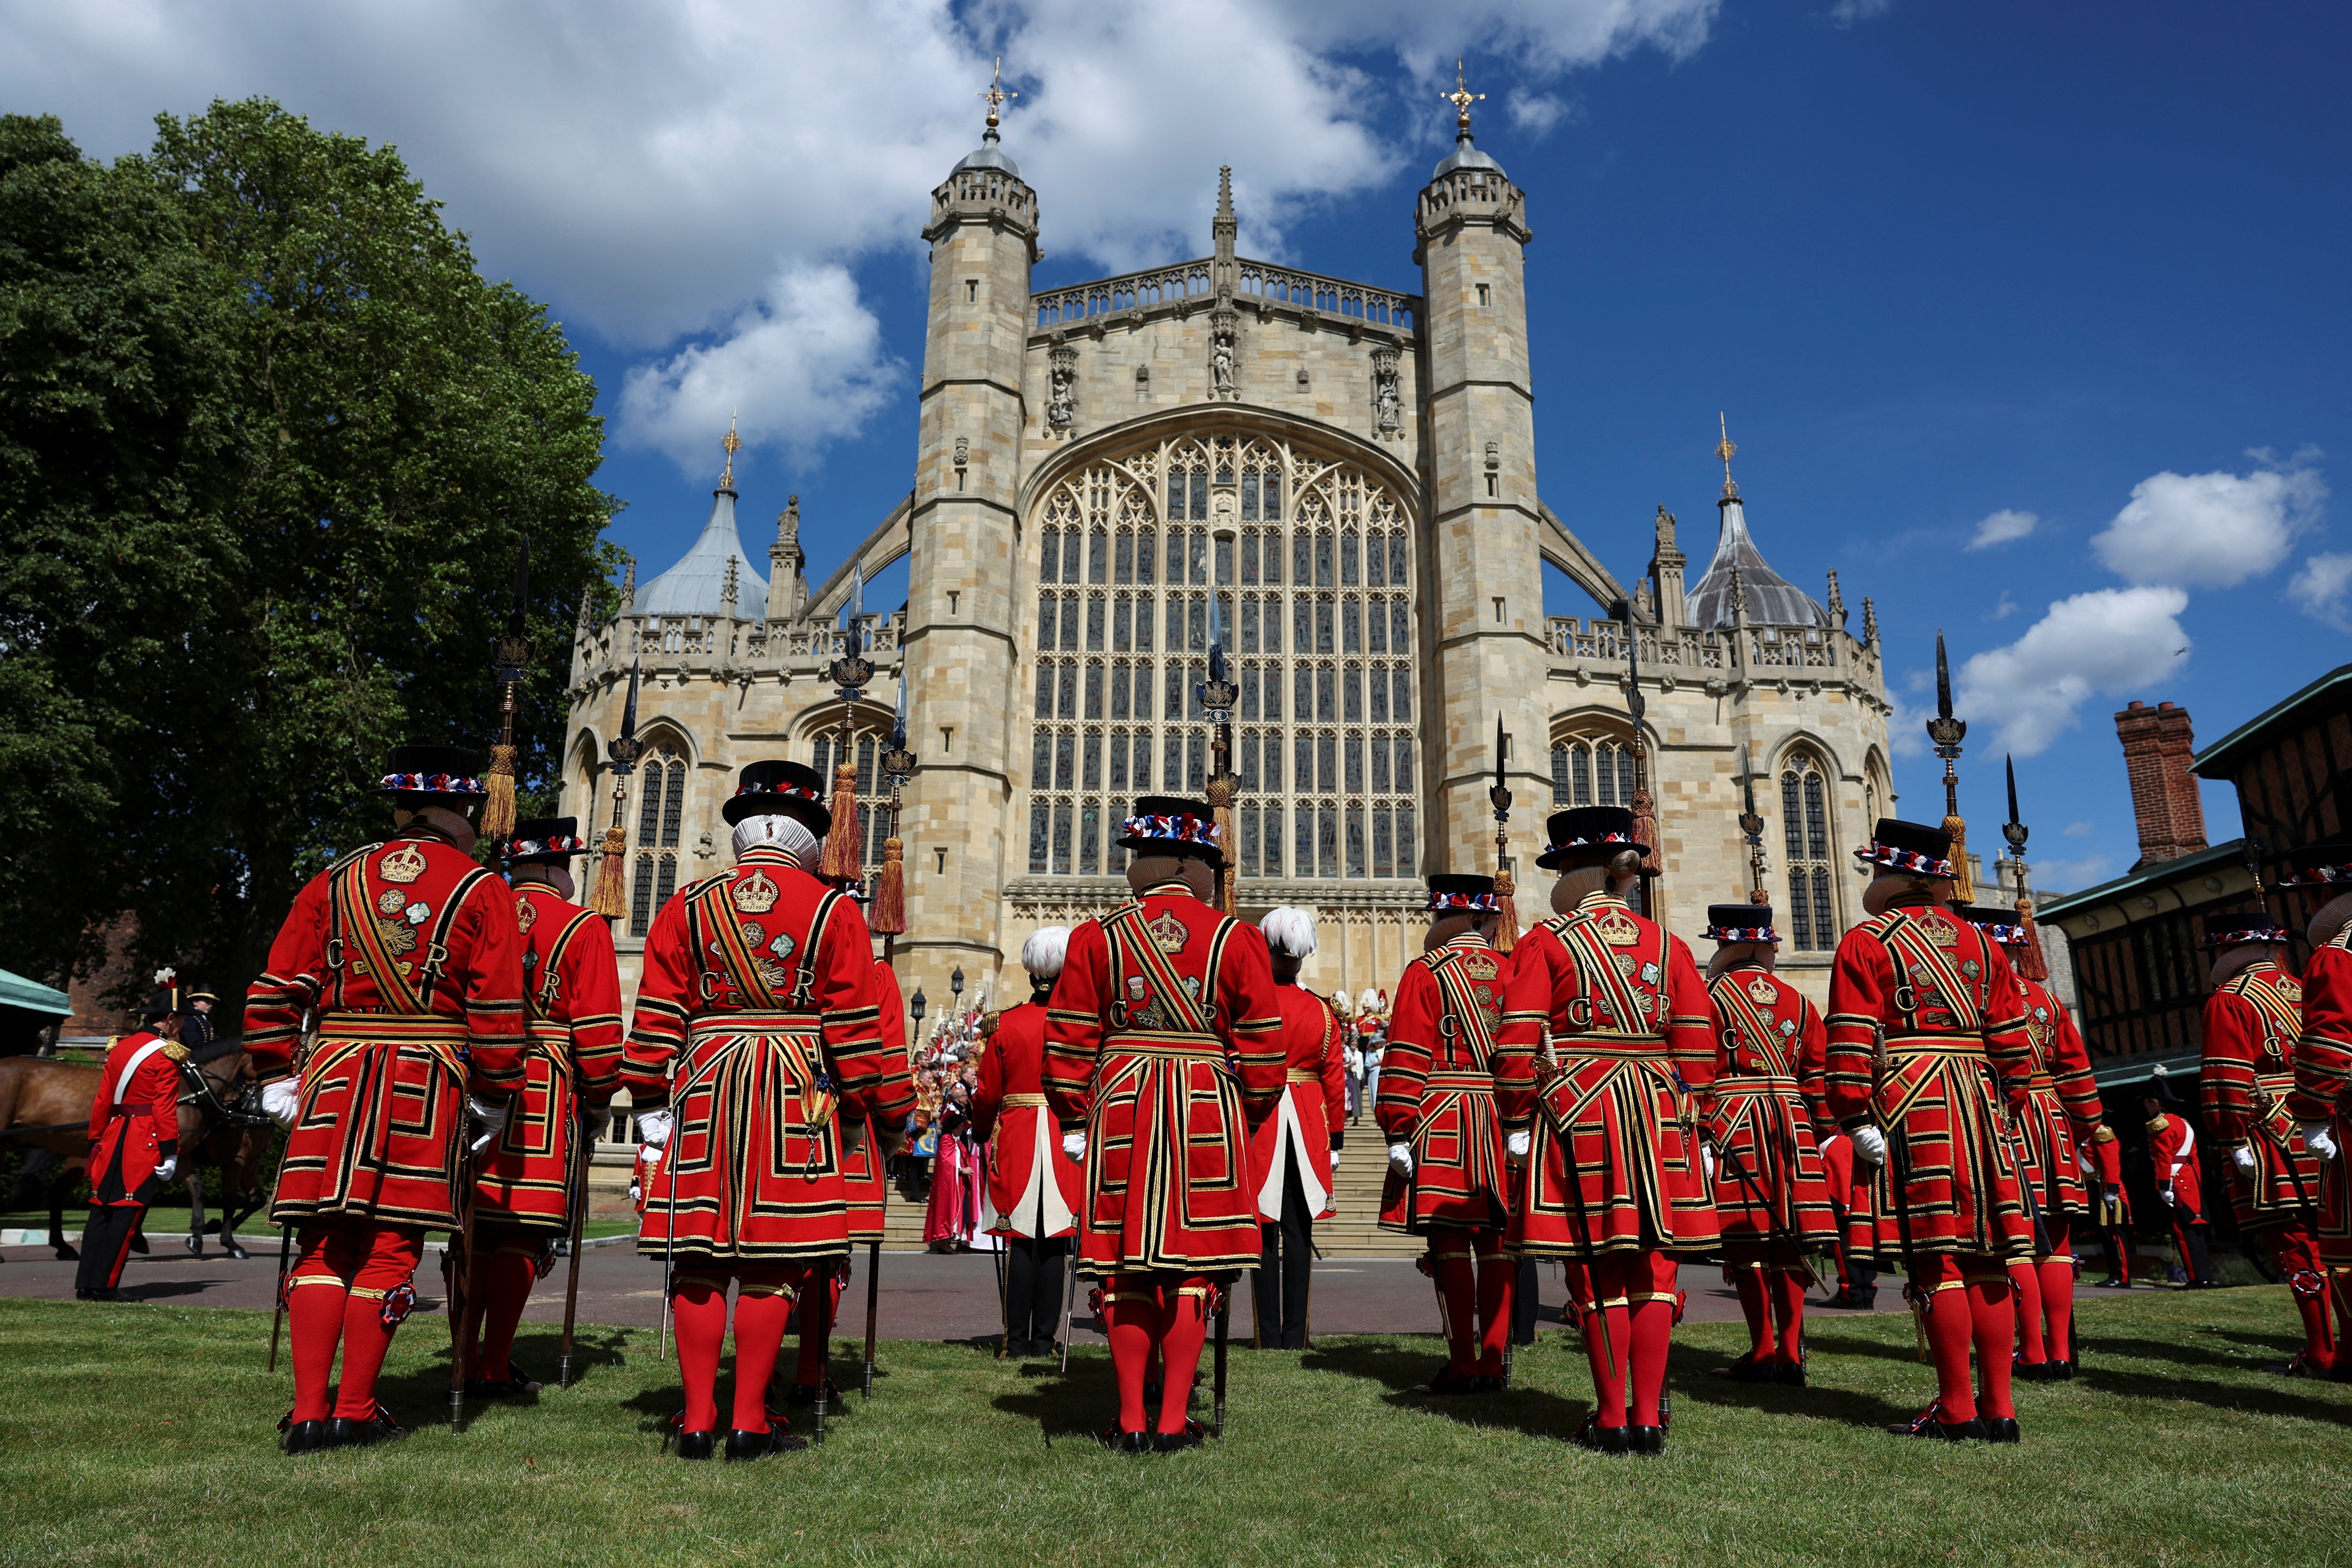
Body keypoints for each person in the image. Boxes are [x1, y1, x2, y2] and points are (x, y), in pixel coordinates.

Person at [622, 759, 914, 1460]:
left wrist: (651, 1106)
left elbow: (656, 1017)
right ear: (812, 840)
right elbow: (852, 1030)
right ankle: (750, 1419)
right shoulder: (833, 910)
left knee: (696, 1254)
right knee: (772, 1258)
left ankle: (696, 1420)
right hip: (796, 1090)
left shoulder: (685, 904)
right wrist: (856, 1111)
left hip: (706, 1082)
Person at [246, 744, 528, 1453]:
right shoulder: (481, 886)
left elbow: (279, 986)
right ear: (463, 811)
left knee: (323, 1238)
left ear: (402, 810)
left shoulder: (335, 878)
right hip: (424, 1079)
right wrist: (495, 1095)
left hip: (335, 1072)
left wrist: (277, 1072)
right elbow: (497, 1009)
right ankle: (356, 1407)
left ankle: (308, 1413)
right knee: (391, 1243)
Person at [1043, 795, 1284, 1453]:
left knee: (1125, 1269)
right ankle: (1174, 1421)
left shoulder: (1097, 936)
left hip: (1122, 1103)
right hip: (1206, 1102)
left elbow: (1068, 1035)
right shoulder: (1235, 938)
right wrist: (1252, 1108)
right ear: (1191, 863)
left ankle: (1128, 1419)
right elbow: (1265, 1044)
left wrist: (1072, 1114)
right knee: (1193, 1267)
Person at [1502, 806, 1716, 1455]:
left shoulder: (1547, 940)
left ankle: (1613, 1415)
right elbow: (1699, 1049)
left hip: (1581, 1111)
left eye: (1560, 868)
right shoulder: (1665, 944)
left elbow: (1517, 1043)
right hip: (1656, 1110)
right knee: (1655, 1265)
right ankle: (1648, 1416)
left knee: (1595, 1272)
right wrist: (1693, 1118)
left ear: (1580, 870)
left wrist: (1517, 1114)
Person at [1826, 820, 2034, 1443]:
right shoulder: (1982, 943)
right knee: (1989, 1255)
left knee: (1937, 1255)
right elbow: (2013, 1041)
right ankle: (2001, 1409)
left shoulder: (1866, 941)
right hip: (1979, 1097)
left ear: (1894, 878)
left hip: (1912, 1101)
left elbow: (1851, 1041)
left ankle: (1956, 1408)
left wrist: (1855, 1114)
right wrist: (2010, 1102)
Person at [459, 816, 621, 1398]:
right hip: (544, 1087)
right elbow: (599, 1033)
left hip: (472, 1079)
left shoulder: (476, 910)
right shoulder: (580, 926)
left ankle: (462, 1357)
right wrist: (600, 1099)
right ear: (559, 868)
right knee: (521, 1230)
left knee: (472, 1226)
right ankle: (494, 1364)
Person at [1961, 903, 2123, 1381]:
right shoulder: (2045, 1000)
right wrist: (2083, 1128)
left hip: (2002, 1115)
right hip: (2050, 1118)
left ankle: (2029, 1351)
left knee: (2014, 1243)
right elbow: (2075, 1070)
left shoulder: (1972, 996)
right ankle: (2058, 1351)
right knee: (2055, 1241)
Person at [1378, 876, 1526, 1392]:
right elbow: (1531, 1053)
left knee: (1449, 1243)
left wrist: (1397, 1128)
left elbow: (1405, 1053)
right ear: (1486, 920)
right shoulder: (1512, 973)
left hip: (1442, 1114)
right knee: (1499, 1243)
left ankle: (1463, 1362)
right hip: (1505, 1114)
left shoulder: (1424, 972)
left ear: (1447, 919)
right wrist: (1523, 1120)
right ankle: (1493, 1362)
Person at [1699, 904, 1837, 1385]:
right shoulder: (1798, 1001)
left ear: (1727, 946)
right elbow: (1816, 1077)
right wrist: (1821, 1133)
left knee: (1746, 1239)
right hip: (1791, 1120)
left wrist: (1697, 1128)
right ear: (1763, 947)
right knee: (1790, 1238)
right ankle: (1791, 1351)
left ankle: (1762, 1350)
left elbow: (1697, 1068)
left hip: (1733, 1118)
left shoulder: (1706, 996)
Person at [2198, 905, 2338, 1375]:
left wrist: (2229, 1137)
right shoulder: (2303, 986)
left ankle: (2321, 1351)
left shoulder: (2228, 999)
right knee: (2339, 1240)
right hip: (2327, 1118)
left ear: (2225, 948)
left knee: (2294, 1243)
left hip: (2269, 1131)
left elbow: (2224, 1077)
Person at [972, 927, 1082, 1356]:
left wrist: (982, 1127)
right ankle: (1043, 1340)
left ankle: (1014, 1339)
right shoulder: (1078, 1025)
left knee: (1019, 1238)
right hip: (1062, 1133)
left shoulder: (1007, 1022)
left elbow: (986, 1092)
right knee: (1055, 1240)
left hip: (1016, 1132)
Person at [1249, 907, 1345, 1351]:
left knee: (1264, 1231)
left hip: (1262, 1121)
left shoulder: (1252, 1007)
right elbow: (1334, 1080)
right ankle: (1295, 1335)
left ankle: (1267, 1334)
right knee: (1299, 1231)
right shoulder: (1321, 1012)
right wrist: (1338, 1138)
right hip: (1308, 1124)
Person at [76, 981, 189, 1301]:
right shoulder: (166, 1055)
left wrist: (95, 1141)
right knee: (126, 1215)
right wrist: (170, 1152)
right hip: (142, 1140)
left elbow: (102, 1101)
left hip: (111, 1136)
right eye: (181, 1019)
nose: (182, 1026)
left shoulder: (119, 1046)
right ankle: (105, 1286)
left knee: (100, 1212)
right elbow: (163, 1108)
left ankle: (85, 1284)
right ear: (169, 1018)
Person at [2143, 1084, 2213, 1288]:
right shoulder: (2183, 1122)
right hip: (2191, 1178)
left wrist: (2164, 1186)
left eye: (2147, 1103)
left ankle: (2196, 1278)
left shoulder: (2161, 1124)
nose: (2146, 1108)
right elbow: (2194, 1157)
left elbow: (2163, 1159)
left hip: (2175, 1180)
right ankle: (2204, 1275)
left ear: (2155, 1103)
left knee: (2183, 1229)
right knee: (2196, 1228)